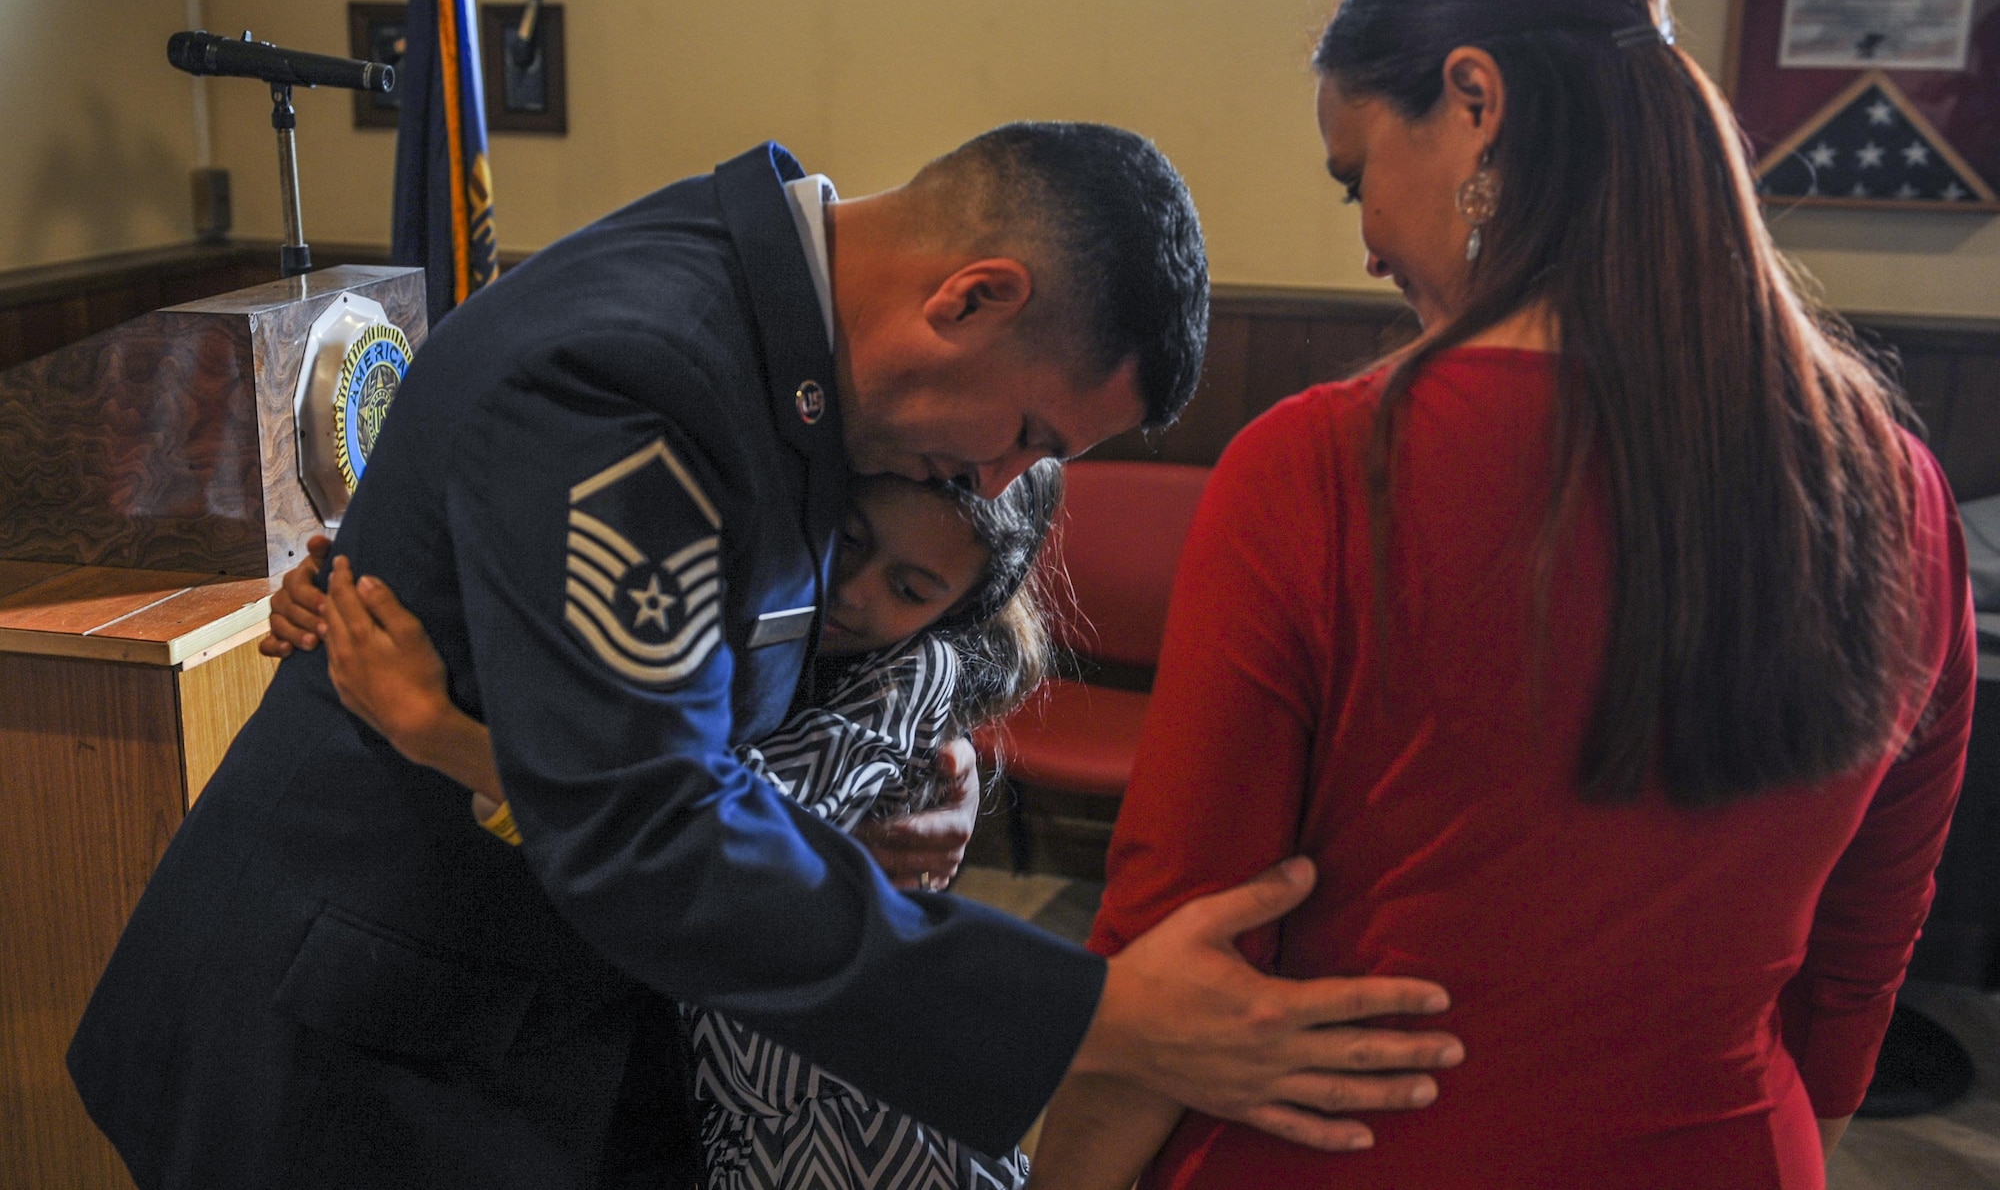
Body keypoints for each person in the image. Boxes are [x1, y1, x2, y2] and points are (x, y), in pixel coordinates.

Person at [70, 123, 1462, 1190]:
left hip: (519, 1022)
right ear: (974, 295)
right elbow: (649, 821)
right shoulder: (644, 377)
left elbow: (727, 683)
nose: (1003, 479)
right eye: (1031, 432)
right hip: (358, 1050)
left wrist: (907, 782)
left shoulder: (769, 339)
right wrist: (1094, 1011)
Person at [1027, 0, 1976, 1190]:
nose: (1363, 244)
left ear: (1475, 103)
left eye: (1356, 173)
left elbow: (1180, 938)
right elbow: (1865, 936)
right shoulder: (1896, 485)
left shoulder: (1324, 465)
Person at [285, 466, 1066, 1189]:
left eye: (909, 585)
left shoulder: (916, 673)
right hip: (733, 1106)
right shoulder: (770, 601)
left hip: (856, 1132)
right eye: (852, 538)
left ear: (961, 608)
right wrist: (350, 589)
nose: (853, 591)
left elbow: (686, 831)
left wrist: (438, 730)